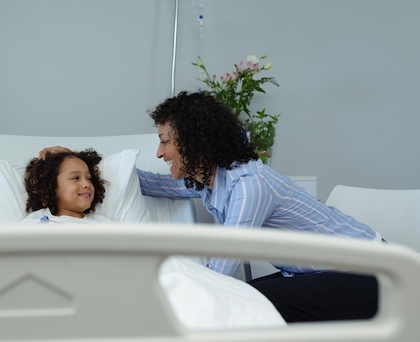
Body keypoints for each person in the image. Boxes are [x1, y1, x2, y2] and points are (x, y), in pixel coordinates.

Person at [41, 91, 380, 323]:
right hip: (326, 275)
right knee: (244, 302)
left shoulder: (249, 186)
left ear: (193, 142)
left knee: (240, 306)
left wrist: (167, 301)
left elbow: (221, 270)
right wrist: (77, 164)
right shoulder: (212, 180)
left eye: (164, 141)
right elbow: (145, 183)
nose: (159, 153)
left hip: (366, 276)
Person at [22, 148, 110, 224]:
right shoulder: (35, 222)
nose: (86, 184)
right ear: (52, 186)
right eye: (75, 178)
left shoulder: (104, 224)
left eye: (89, 179)